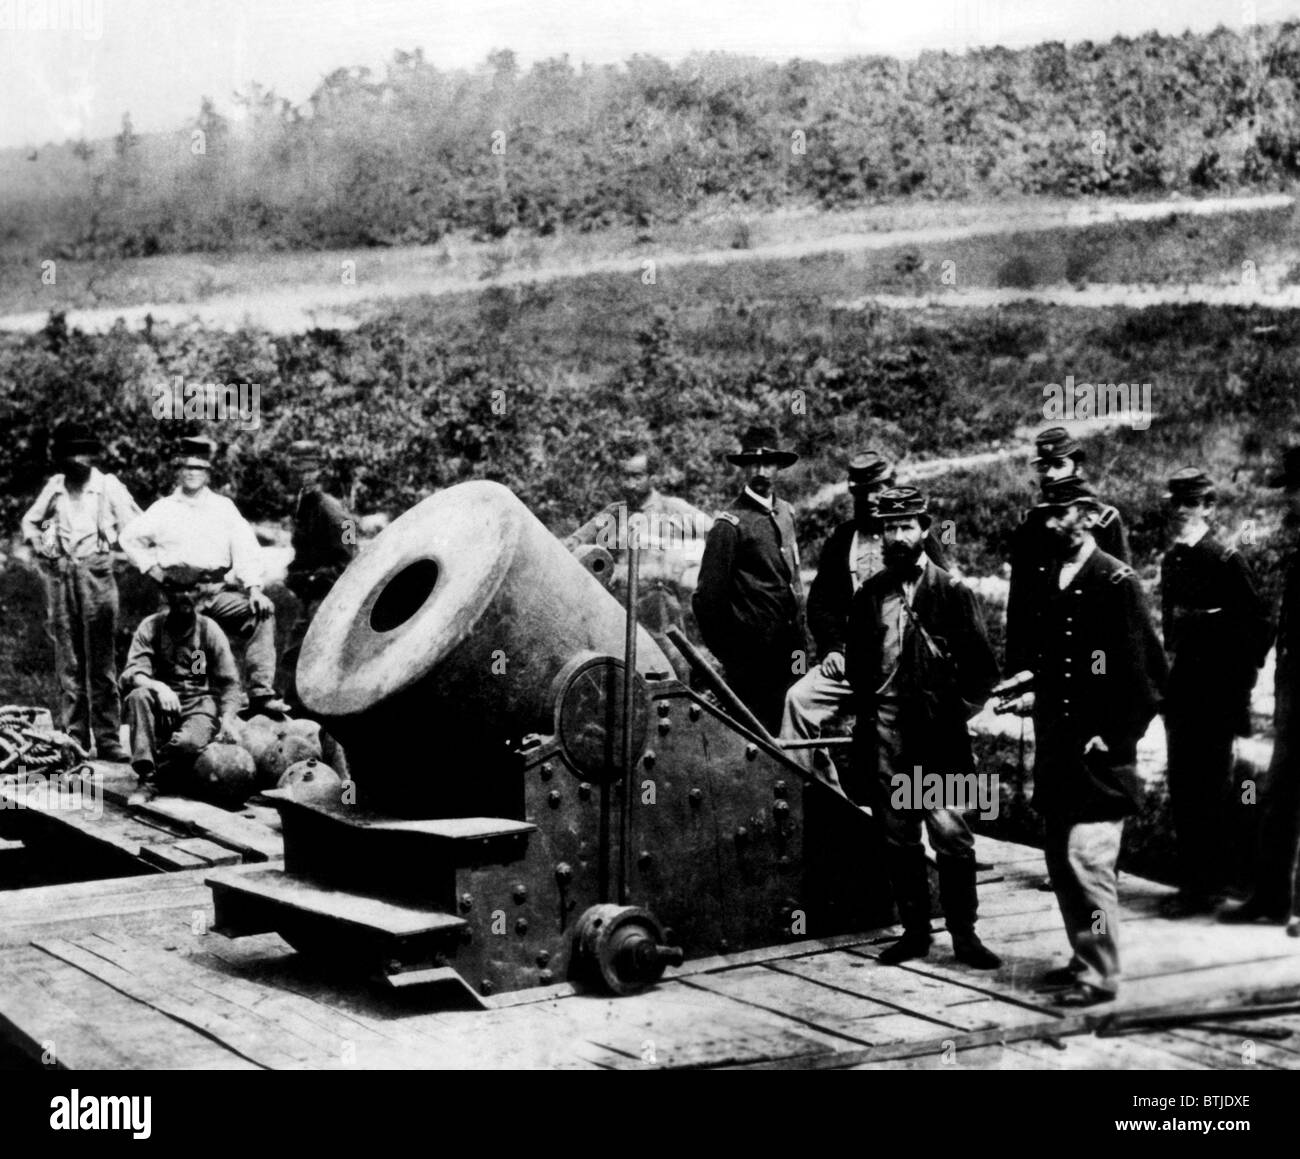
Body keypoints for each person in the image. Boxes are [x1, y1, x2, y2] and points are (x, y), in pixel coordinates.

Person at [998, 477, 1166, 1006]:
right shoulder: (1052, 576)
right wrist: (1029, 688)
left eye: (1062, 513)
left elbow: (1149, 677)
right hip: (1058, 748)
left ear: (1090, 517)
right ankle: (1082, 955)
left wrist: (1113, 736)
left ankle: (1101, 973)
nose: (1050, 523)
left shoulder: (1116, 581)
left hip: (1098, 758)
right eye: (1046, 514)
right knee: (1060, 861)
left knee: (1088, 861)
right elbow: (1057, 665)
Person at [845, 487, 1003, 969]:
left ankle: (965, 935)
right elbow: (857, 667)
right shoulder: (870, 595)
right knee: (898, 836)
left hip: (938, 736)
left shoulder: (952, 592)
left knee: (951, 834)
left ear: (924, 530)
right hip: (888, 731)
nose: (897, 536)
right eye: (889, 528)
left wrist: (953, 715)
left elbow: (983, 671)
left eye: (906, 526)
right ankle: (915, 932)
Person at [781, 451, 947, 792]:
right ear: (854, 494)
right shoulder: (842, 539)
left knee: (918, 741)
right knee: (798, 701)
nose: (873, 497)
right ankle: (813, 798)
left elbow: (942, 605)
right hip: (853, 663)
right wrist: (833, 649)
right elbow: (822, 604)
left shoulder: (919, 540)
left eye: (881, 487)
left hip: (905, 669)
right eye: (865, 490)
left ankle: (924, 812)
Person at [1159, 468, 1269, 915]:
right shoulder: (1173, 560)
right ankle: (1192, 884)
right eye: (1177, 504)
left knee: (1211, 791)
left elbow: (1258, 630)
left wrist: (1235, 693)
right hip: (1182, 695)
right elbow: (1170, 630)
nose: (1182, 511)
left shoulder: (1225, 559)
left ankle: (1210, 888)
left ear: (1208, 507)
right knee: (1183, 790)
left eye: (1192, 503)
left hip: (1215, 697)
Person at [120, 436, 289, 715]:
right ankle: (185, 707)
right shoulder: (164, 509)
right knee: (181, 654)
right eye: (186, 467)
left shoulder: (223, 507)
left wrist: (255, 588)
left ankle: (260, 692)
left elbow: (245, 546)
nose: (191, 473)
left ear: (208, 472)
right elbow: (129, 538)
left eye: (198, 468)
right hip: (177, 595)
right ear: (177, 470)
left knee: (261, 614)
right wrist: (152, 568)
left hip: (215, 592)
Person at [20, 421, 142, 761]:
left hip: (97, 574)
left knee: (101, 660)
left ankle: (108, 738)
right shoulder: (56, 487)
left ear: (93, 455)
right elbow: (33, 522)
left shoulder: (107, 486)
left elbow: (137, 526)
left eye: (84, 453)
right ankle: (74, 737)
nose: (78, 461)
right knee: (69, 661)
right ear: (61, 458)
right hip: (62, 576)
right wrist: (46, 548)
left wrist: (121, 556)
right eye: (71, 454)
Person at [1222, 448, 1300, 928]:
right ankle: (1270, 898)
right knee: (1276, 795)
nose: (1288, 502)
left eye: (1293, 490)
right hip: (1293, 699)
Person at [563, 447, 713, 683]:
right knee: (622, 674)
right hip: (620, 609)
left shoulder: (673, 509)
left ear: (652, 477)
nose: (630, 484)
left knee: (675, 669)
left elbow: (717, 536)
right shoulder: (615, 513)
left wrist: (686, 566)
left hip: (661, 608)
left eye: (637, 476)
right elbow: (575, 542)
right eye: (625, 476)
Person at [693, 425, 808, 733]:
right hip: (753, 661)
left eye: (769, 463)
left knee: (794, 730)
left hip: (792, 651)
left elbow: (792, 579)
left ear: (778, 467)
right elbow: (707, 600)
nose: (762, 471)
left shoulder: (786, 513)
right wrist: (733, 655)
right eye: (754, 464)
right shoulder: (730, 524)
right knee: (758, 738)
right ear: (743, 469)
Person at [1005, 427, 1130, 678]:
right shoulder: (1029, 527)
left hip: (1092, 650)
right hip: (1045, 656)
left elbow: (1121, 601)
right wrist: (1017, 668)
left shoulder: (1104, 522)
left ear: (1078, 468)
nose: (1050, 474)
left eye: (1058, 464)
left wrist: (1110, 669)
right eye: (1044, 466)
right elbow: (1019, 606)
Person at [120, 567, 242, 804]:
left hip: (198, 706)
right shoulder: (151, 627)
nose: (185, 596)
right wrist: (158, 686)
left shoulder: (209, 630)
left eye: (190, 590)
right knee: (138, 696)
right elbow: (131, 672)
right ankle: (148, 779)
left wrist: (227, 719)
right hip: (163, 707)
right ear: (166, 595)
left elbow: (230, 683)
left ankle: (159, 764)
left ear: (198, 594)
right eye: (177, 590)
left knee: (187, 745)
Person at [283, 439, 357, 704]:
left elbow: (349, 558)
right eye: (298, 471)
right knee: (295, 651)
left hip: (328, 593)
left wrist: (313, 579)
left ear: (319, 473)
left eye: (309, 471)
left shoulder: (330, 509)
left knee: (305, 651)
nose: (304, 477)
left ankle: (303, 708)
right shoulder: (304, 504)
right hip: (309, 591)